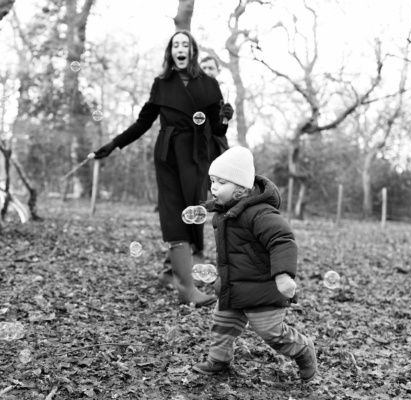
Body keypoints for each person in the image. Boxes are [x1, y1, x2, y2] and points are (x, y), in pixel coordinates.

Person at [92, 30, 234, 307]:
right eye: (175, 45)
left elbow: (217, 128)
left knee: (192, 215)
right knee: (173, 216)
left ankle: (187, 279)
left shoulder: (209, 85)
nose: (180, 48)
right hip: (168, 154)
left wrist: (226, 118)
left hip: (195, 156)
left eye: (185, 44)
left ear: (192, 51)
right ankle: (186, 288)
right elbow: (143, 122)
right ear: (171, 52)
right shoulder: (162, 83)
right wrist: (113, 144)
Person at [192, 146, 318, 382]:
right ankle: (219, 360)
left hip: (263, 288)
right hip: (234, 286)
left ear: (240, 189)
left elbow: (282, 240)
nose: (214, 187)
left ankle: (303, 350)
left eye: (221, 182)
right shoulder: (223, 213)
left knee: (272, 333)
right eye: (212, 181)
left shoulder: (261, 213)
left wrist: (282, 274)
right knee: (222, 325)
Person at [157, 55, 230, 289]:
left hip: (212, 163)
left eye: (212, 68)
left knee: (200, 215)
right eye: (204, 68)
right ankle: (174, 270)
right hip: (191, 162)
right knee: (188, 213)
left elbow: (219, 131)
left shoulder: (217, 100)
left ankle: (190, 270)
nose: (208, 71)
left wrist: (226, 117)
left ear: (218, 72)